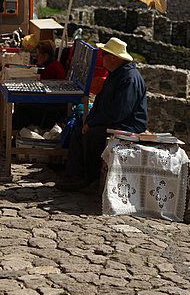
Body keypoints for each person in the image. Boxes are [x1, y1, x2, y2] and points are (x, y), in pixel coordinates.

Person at [56, 37, 147, 192]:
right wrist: (89, 120)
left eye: (104, 54)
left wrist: (94, 123)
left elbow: (120, 111)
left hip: (128, 123)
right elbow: (99, 102)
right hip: (112, 119)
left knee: (93, 135)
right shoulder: (115, 74)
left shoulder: (129, 78)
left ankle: (91, 177)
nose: (102, 58)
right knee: (78, 129)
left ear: (113, 58)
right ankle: (74, 175)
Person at [12, 40, 67, 130]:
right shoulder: (54, 65)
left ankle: (16, 134)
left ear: (45, 56)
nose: (36, 58)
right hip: (52, 100)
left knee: (21, 107)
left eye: (38, 55)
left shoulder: (51, 68)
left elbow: (44, 90)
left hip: (53, 105)